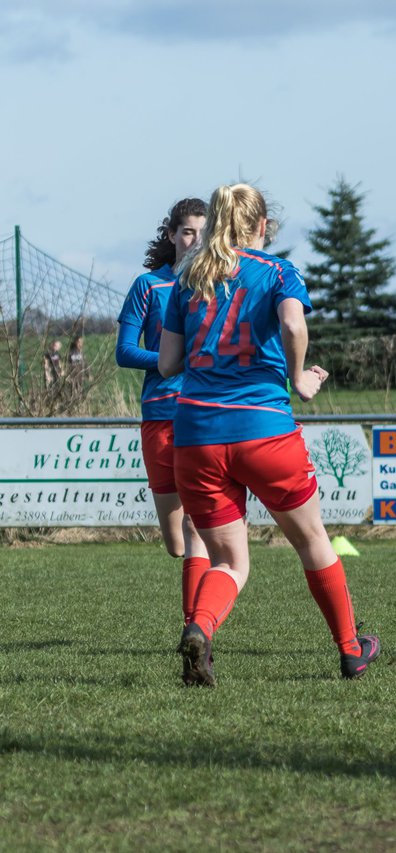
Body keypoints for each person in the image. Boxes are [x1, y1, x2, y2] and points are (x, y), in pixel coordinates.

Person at [158, 183, 379, 686]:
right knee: (314, 543)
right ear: (262, 227)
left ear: (214, 223)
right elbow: (293, 325)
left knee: (229, 561)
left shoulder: (188, 278)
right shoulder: (278, 272)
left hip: (194, 434)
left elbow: (169, 363)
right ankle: (351, 650)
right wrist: (300, 377)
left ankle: (201, 627)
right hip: (263, 429)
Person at [116, 198, 212, 639]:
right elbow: (124, 351)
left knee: (196, 526)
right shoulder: (148, 287)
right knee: (177, 542)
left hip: (202, 414)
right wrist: (172, 359)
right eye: (187, 231)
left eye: (201, 232)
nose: (194, 240)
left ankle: (195, 628)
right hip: (159, 415)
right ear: (171, 234)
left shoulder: (215, 287)